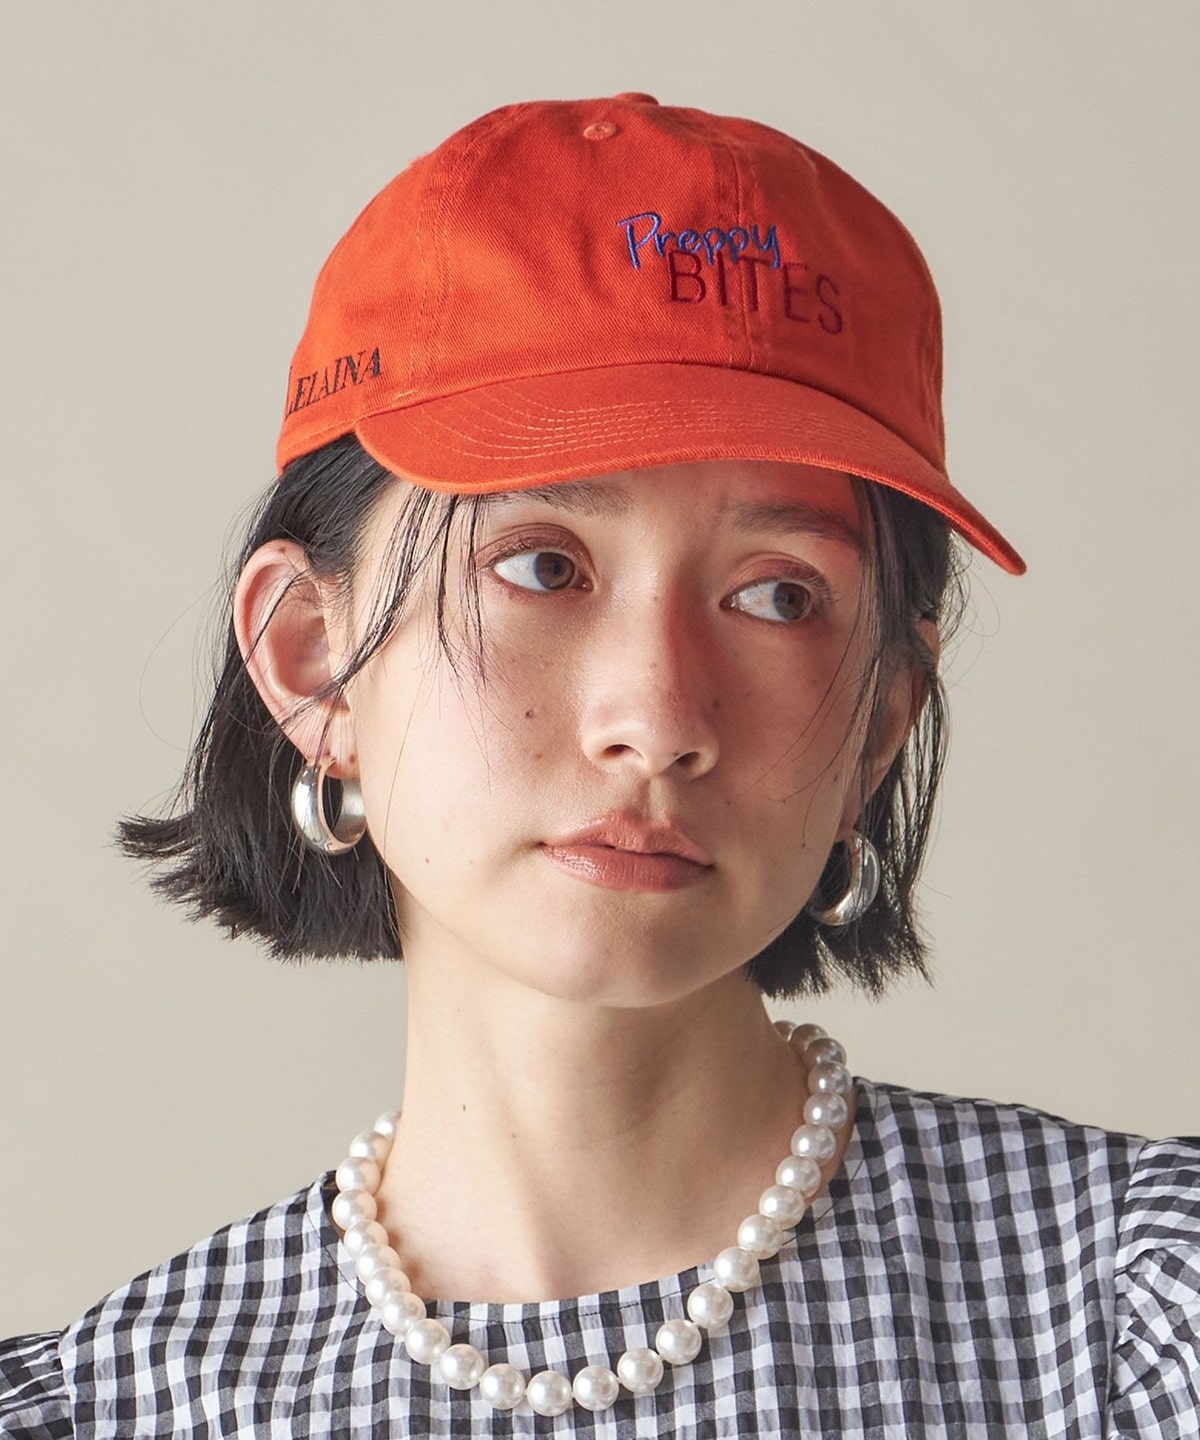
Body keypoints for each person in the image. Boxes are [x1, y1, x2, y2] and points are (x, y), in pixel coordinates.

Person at [1, 93, 1196, 1439]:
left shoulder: (1130, 1322)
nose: (659, 716)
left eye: (779, 596)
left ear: (881, 722)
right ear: (312, 657)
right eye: (541, 566)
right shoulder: (115, 1408)